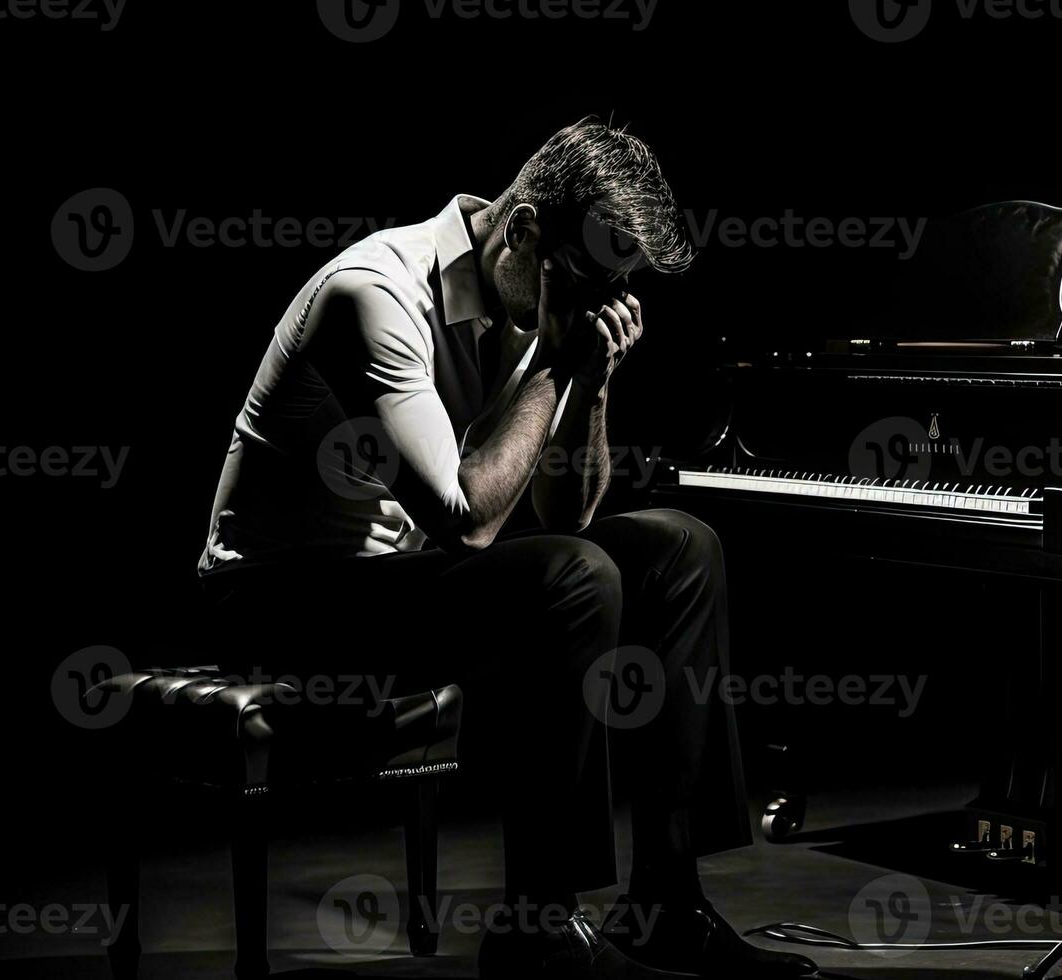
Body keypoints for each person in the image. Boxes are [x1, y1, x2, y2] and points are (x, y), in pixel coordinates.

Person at [196, 118, 815, 980]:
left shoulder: (529, 294)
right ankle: (537, 920)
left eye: (619, 289)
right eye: (593, 281)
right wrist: (558, 365)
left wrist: (592, 388)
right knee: (572, 576)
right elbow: (468, 518)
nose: (602, 306)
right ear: (522, 230)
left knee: (681, 546)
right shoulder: (374, 293)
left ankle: (667, 900)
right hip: (279, 597)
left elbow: (571, 508)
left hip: (398, 578)